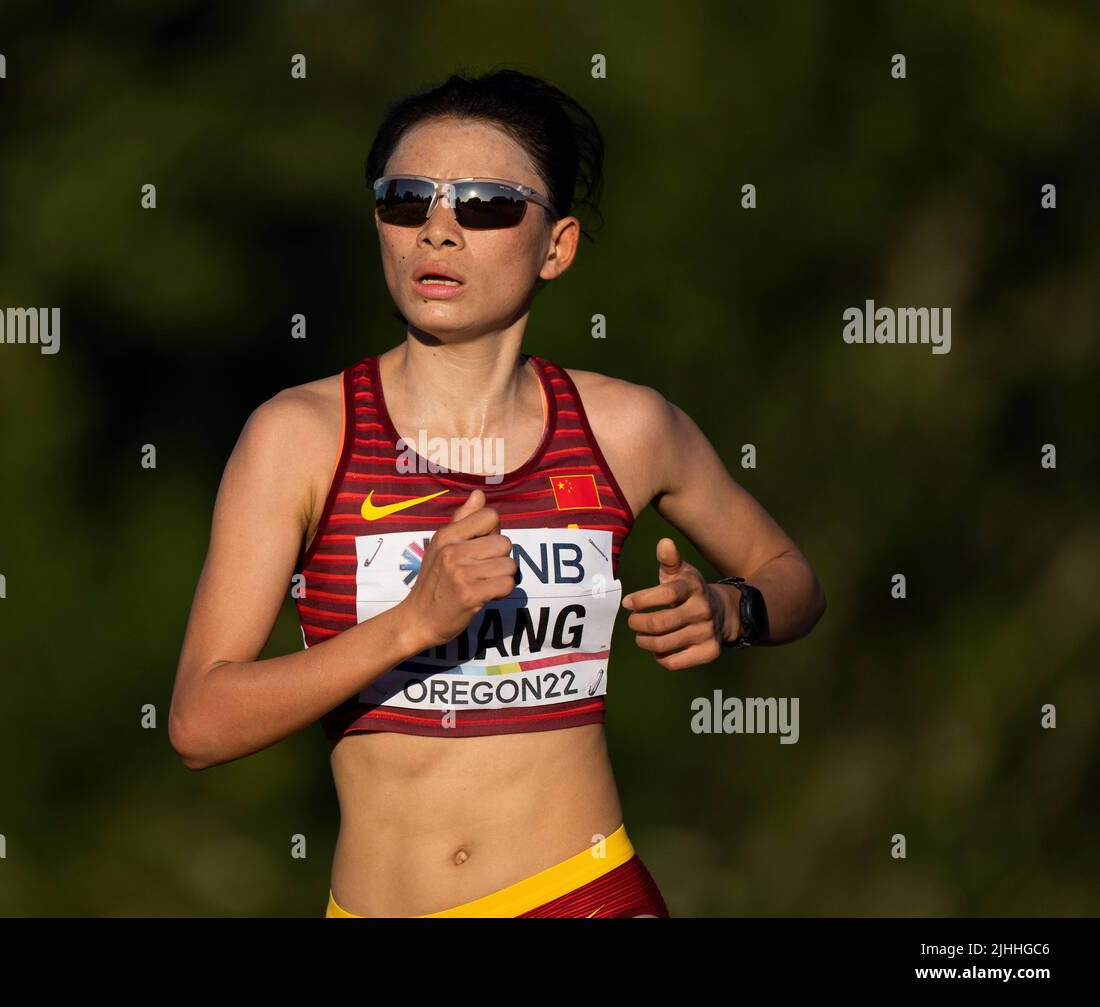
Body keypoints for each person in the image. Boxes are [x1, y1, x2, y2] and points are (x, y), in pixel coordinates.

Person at [168, 69, 826, 918]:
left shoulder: (628, 427)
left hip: (582, 897)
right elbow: (199, 722)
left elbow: (794, 576)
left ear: (557, 246)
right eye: (406, 202)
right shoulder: (298, 434)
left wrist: (735, 611)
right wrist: (410, 623)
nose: (437, 232)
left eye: (484, 205)